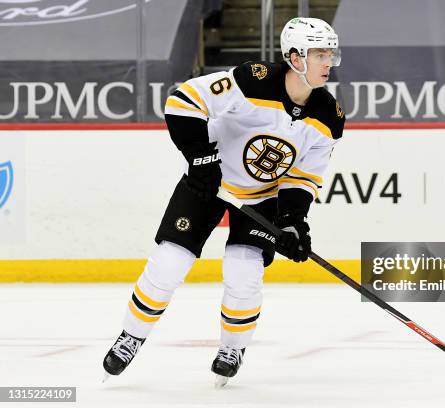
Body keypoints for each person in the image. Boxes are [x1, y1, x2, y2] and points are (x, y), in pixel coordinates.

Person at [102, 17, 344, 387]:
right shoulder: (252, 79)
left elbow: (304, 176)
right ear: (295, 57)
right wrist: (201, 159)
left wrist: (294, 220)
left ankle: (232, 349)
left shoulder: (329, 115)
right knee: (169, 262)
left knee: (244, 274)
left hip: (262, 197)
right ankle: (130, 337)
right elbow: (184, 100)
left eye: (331, 54)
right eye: (320, 54)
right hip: (208, 183)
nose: (329, 62)